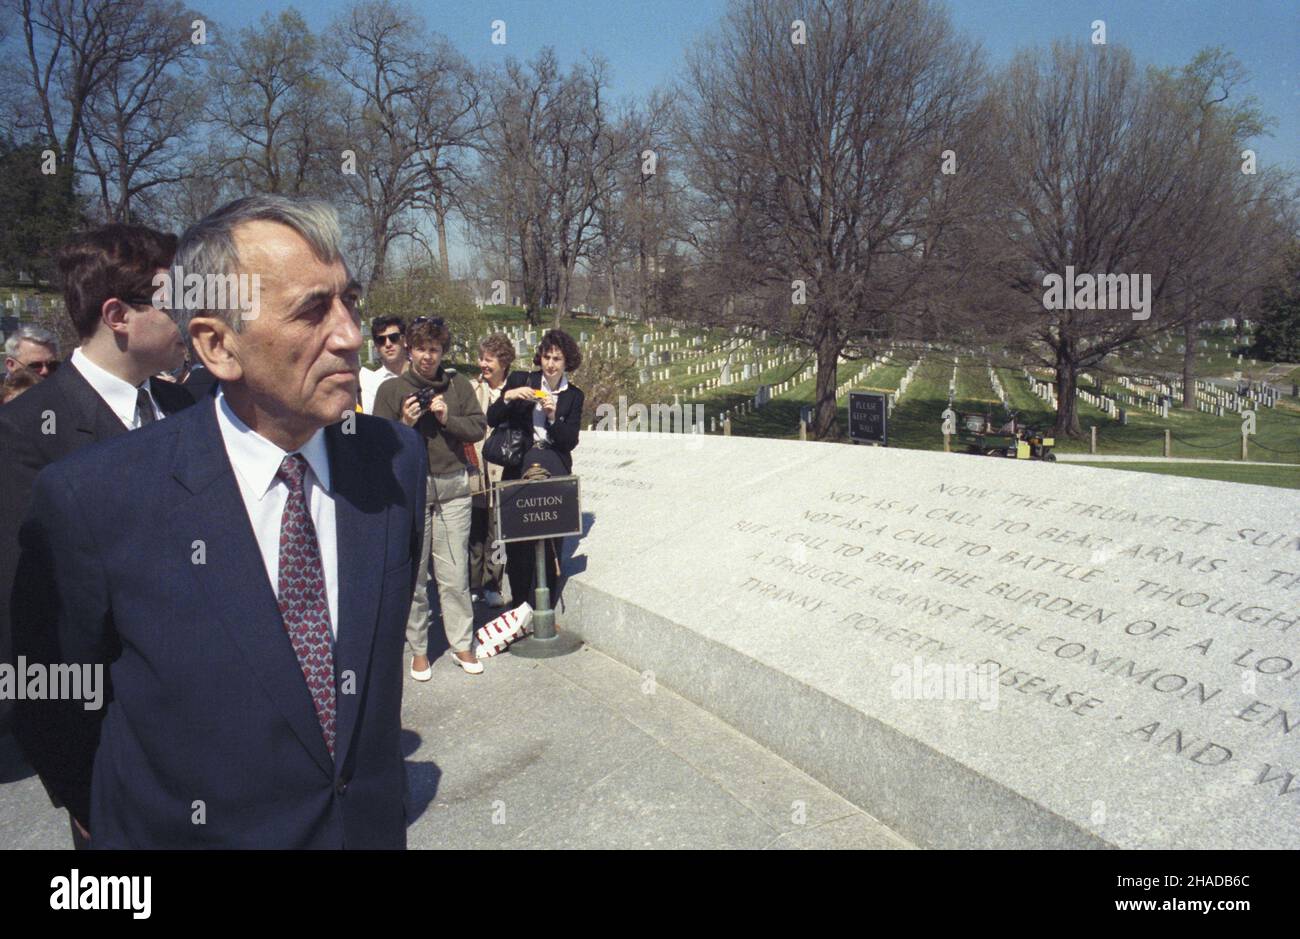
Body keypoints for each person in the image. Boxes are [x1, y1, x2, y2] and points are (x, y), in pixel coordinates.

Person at [10, 195, 427, 849]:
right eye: (314, 309)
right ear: (215, 345)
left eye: (349, 299)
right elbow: (57, 702)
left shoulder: (394, 459)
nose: (349, 334)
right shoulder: (93, 498)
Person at [0, 225, 194, 783]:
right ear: (118, 316)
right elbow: (29, 633)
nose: (193, 315)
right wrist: (79, 785)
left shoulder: (186, 404)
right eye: (176, 301)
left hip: (209, 733)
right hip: (116, 757)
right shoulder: (25, 434)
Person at [373, 317, 485, 677]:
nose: (427, 356)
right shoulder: (392, 390)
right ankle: (419, 649)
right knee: (416, 575)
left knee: (454, 574)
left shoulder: (459, 386)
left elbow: (478, 428)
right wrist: (404, 424)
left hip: (453, 487)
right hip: (413, 489)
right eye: (421, 348)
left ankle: (462, 644)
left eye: (434, 349)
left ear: (442, 352)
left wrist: (447, 416)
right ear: (410, 348)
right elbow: (379, 446)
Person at [486, 329, 584, 610]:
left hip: (553, 465)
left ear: (567, 363)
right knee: (518, 539)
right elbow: (492, 419)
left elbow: (569, 442)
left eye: (558, 359)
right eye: (547, 357)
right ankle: (519, 606)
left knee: (552, 536)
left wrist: (553, 416)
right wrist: (509, 397)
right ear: (540, 356)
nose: (551, 364)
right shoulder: (521, 379)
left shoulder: (574, 395)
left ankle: (545, 607)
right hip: (519, 464)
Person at [468, 333, 514, 607]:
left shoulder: (513, 389)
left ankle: (492, 583)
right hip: (476, 468)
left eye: (488, 359)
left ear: (503, 362)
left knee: (498, 534)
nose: (482, 364)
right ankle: (473, 583)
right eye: (481, 358)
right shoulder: (474, 389)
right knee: (476, 532)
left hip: (502, 469)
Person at [358, 316, 408, 413]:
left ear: (405, 340)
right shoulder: (370, 384)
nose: (388, 344)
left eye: (394, 338)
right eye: (381, 340)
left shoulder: (421, 374)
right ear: (376, 346)